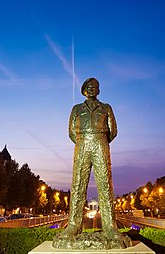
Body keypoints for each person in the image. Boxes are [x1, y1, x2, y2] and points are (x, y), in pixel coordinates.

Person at [61, 78, 125, 243]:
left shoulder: (106, 108)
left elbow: (114, 131)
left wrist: (100, 140)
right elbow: (71, 132)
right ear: (84, 90)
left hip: (100, 144)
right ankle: (73, 225)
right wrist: (84, 140)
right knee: (77, 185)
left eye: (95, 87)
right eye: (88, 87)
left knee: (105, 185)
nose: (91, 89)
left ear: (98, 90)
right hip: (82, 144)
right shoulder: (76, 109)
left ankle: (110, 227)